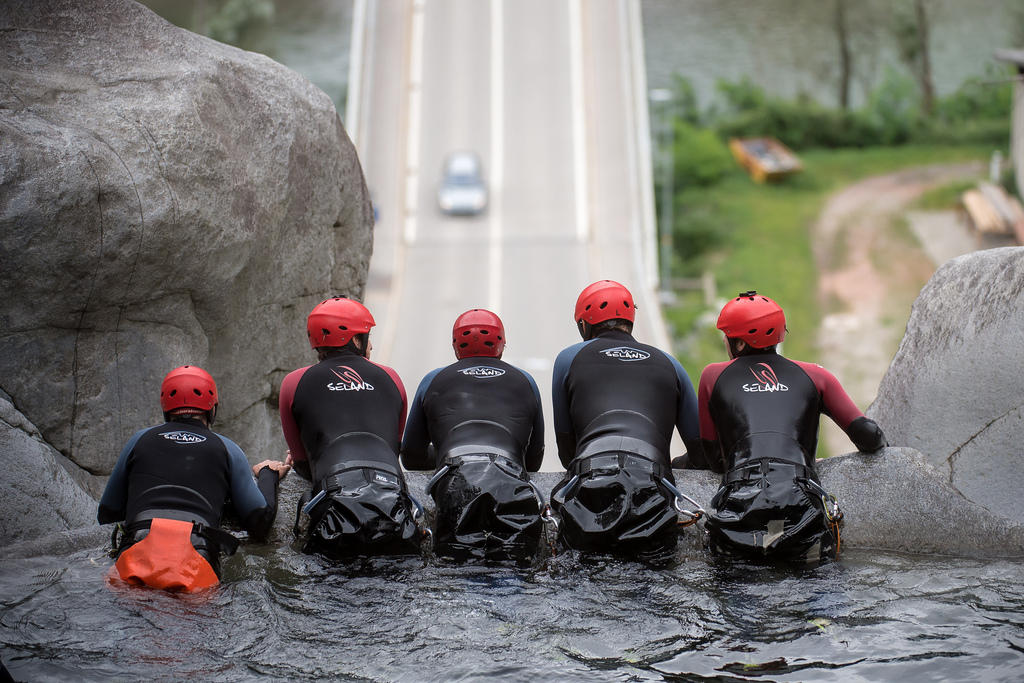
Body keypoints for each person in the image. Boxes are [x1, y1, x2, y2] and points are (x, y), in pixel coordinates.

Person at [696, 291, 887, 563]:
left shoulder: (712, 376)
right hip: (799, 500)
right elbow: (868, 437)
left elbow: (713, 459)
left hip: (741, 501)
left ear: (737, 344)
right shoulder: (816, 375)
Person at [98, 365, 289, 592]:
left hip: (134, 558)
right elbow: (260, 521)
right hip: (195, 564)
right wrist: (268, 474)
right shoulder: (227, 449)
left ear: (166, 408)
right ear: (212, 409)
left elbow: (108, 511)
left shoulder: (139, 440)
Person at [550, 280, 702, 559]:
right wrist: (674, 464)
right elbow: (700, 448)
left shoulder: (568, 359)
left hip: (590, 475)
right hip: (653, 480)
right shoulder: (669, 362)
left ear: (584, 325)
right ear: (630, 319)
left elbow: (566, 450)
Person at [279, 296, 422, 558]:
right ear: (356, 340)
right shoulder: (391, 378)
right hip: (390, 501)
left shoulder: (294, 383)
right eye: (367, 335)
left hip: (334, 504)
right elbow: (393, 448)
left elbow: (302, 464)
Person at [401, 309, 546, 561]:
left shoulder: (432, 380)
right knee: (514, 570)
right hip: (510, 476)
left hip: (456, 478)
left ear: (456, 348)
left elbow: (411, 455)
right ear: (501, 346)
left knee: (457, 568)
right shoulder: (526, 381)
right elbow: (533, 460)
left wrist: (444, 453)